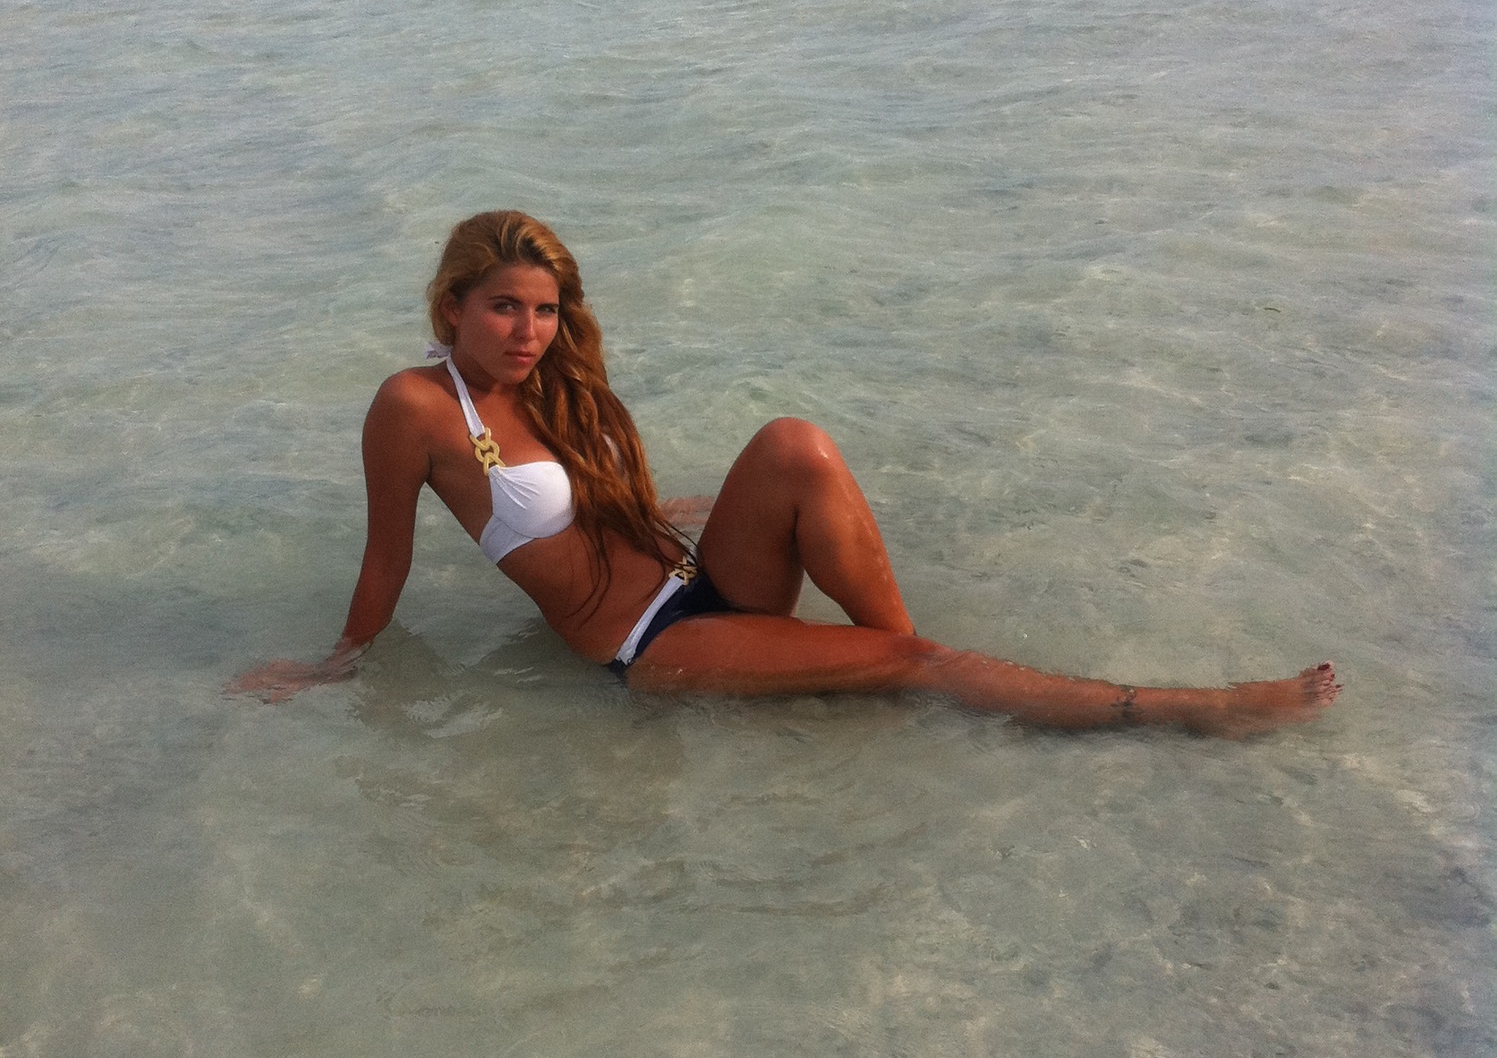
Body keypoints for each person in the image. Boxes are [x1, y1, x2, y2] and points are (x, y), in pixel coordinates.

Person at [229, 210, 1339, 733]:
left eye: (546, 309)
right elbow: (387, 556)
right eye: (504, 308)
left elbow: (587, 506)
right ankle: (1191, 709)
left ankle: (902, 675)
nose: (529, 331)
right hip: (651, 646)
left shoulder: (554, 380)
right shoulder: (416, 407)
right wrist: (337, 662)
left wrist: (677, 510)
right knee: (919, 661)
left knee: (793, 443)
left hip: (697, 578)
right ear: (452, 307)